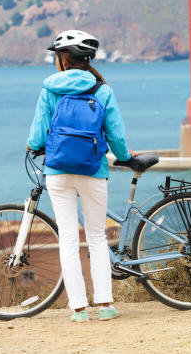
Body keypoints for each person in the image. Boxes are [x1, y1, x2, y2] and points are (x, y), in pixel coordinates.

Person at [26, 29, 135, 323]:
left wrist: (33, 146)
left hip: (58, 173)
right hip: (93, 171)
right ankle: (106, 305)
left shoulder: (50, 90)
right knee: (97, 238)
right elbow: (116, 137)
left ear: (63, 59)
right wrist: (126, 158)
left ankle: (78, 309)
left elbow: (37, 136)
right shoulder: (103, 90)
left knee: (69, 240)